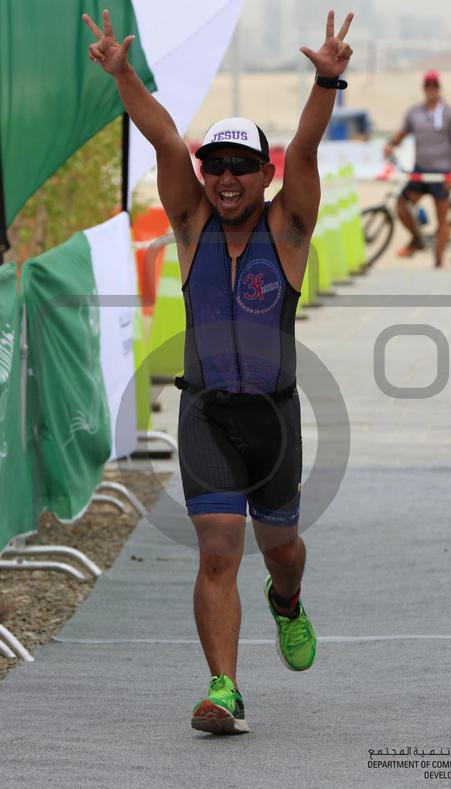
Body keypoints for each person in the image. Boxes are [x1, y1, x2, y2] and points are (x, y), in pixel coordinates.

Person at [83, 8, 353, 734]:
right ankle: (224, 689)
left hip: (274, 420)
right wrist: (123, 75)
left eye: (241, 166)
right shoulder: (190, 222)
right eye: (217, 166)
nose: (226, 178)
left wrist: (327, 80)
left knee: (282, 551)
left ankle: (287, 600)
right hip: (205, 414)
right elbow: (166, 139)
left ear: (264, 174)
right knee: (215, 554)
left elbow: (306, 146)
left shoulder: (288, 228)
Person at [384, 70, 451, 268]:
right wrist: (391, 144)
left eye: (434, 85)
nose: (431, 89)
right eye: (428, 86)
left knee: (442, 218)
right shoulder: (414, 113)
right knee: (401, 206)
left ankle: (438, 262)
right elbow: (402, 133)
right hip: (420, 170)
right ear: (424, 88)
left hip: (442, 172)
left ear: (439, 88)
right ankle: (417, 239)